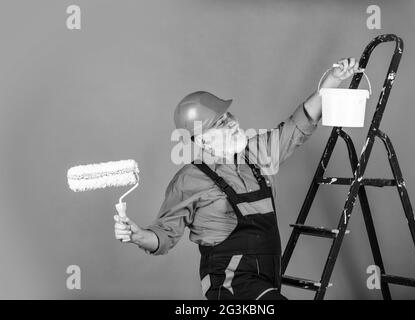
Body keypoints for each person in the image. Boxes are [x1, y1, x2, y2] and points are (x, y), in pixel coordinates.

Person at [114, 58, 362, 300]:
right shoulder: (189, 180)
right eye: (221, 123)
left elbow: (298, 125)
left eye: (229, 116)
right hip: (230, 282)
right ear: (201, 139)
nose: (233, 123)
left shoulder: (257, 153)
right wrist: (138, 236)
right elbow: (165, 235)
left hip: (268, 276)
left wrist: (332, 80)